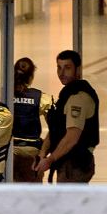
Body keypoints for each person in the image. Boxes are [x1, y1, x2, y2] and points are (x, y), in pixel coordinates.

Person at [34, 50, 99, 183]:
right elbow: (56, 129)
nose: (62, 72)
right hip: (65, 162)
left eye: (67, 68)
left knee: (70, 202)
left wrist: (50, 160)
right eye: (59, 67)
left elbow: (72, 137)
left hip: (76, 164)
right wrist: (42, 155)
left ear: (78, 69)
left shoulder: (78, 97)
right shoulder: (66, 95)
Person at [11, 57, 54, 182]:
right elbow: (55, 127)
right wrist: (43, 152)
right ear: (31, 77)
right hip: (32, 152)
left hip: (8, 153)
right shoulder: (41, 98)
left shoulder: (3, 94)